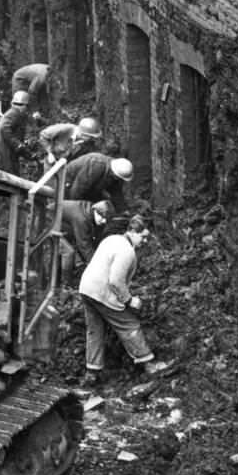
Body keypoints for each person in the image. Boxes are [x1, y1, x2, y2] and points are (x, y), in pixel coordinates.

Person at [78, 216, 168, 384]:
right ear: (132, 232)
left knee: (95, 330)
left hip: (86, 288)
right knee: (128, 324)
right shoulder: (128, 251)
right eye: (143, 236)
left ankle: (92, 372)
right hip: (101, 291)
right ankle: (148, 364)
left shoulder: (111, 239)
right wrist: (129, 300)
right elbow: (115, 281)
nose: (145, 241)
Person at [0, 89, 32, 175]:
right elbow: (4, 129)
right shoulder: (14, 113)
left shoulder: (13, 114)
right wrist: (18, 145)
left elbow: (11, 137)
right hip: (0, 156)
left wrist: (25, 150)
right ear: (25, 106)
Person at [60, 197, 113, 271]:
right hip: (48, 221)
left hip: (63, 224)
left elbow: (93, 239)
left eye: (106, 219)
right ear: (95, 211)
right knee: (69, 252)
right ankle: (65, 282)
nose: (104, 221)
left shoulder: (90, 211)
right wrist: (96, 265)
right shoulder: (82, 219)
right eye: (102, 217)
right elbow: (84, 245)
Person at [65, 152, 134, 205]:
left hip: (88, 188)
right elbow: (77, 190)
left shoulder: (115, 171)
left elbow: (116, 193)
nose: (118, 179)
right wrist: (77, 208)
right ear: (114, 173)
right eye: (118, 178)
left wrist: (123, 211)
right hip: (67, 183)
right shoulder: (96, 165)